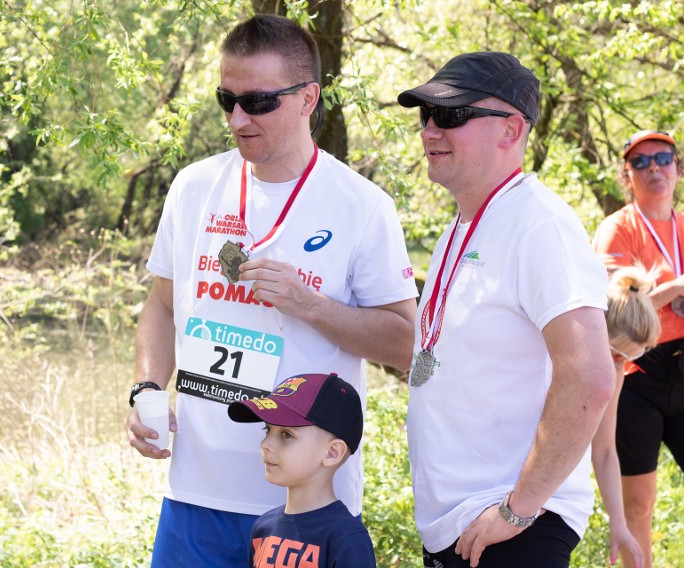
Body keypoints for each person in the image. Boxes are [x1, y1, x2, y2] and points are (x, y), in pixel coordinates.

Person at [124, 14, 419, 567]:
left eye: (258, 102)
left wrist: (308, 304)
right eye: (225, 100)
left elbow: (406, 343)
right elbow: (162, 305)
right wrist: (146, 387)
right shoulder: (193, 187)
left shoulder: (361, 205)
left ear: (308, 98)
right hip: (196, 491)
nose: (238, 119)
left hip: (304, 507)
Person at [396, 51, 616, 567]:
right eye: (425, 116)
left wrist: (518, 511)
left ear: (511, 129)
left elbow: (590, 378)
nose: (430, 130)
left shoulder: (540, 225)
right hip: (463, 529)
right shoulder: (465, 224)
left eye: (450, 115)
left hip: (513, 530)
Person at [592, 129, 684, 568]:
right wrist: (673, 290)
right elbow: (614, 315)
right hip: (634, 371)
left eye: (663, 158)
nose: (654, 169)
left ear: (677, 167)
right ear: (626, 175)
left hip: (682, 363)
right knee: (639, 502)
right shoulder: (616, 230)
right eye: (641, 162)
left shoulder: (683, 224)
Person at [228, 372, 377, 568]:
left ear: (332, 452)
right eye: (267, 430)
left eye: (286, 435)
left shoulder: (346, 538)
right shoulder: (263, 528)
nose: (265, 443)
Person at [595, 266, 660, 568]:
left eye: (629, 359)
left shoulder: (616, 372)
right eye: (618, 355)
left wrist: (618, 523)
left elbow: (606, 450)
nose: (620, 366)